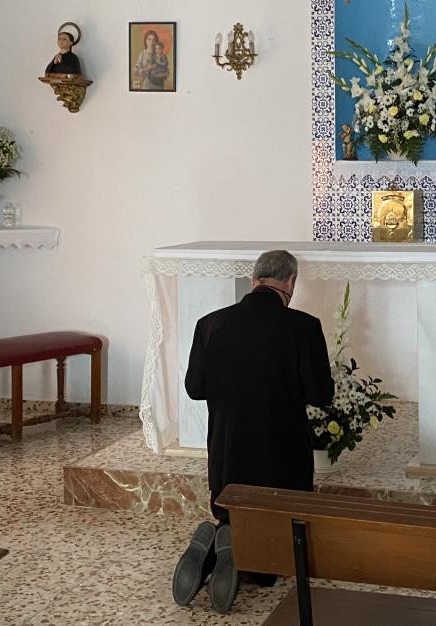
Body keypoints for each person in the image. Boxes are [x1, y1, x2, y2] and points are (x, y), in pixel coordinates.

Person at [171, 250, 334, 613]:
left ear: (253, 280)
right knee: (280, 522)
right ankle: (259, 564)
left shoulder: (210, 323)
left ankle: (223, 541)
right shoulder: (304, 326)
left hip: (228, 451)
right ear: (291, 282)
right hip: (282, 456)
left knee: (231, 506)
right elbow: (321, 395)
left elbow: (195, 388)